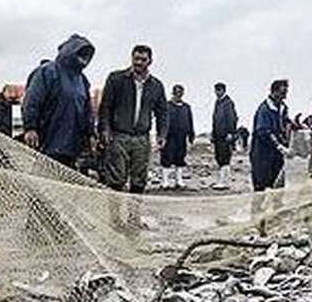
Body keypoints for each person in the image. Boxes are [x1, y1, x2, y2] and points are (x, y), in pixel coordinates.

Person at [97, 45, 168, 194]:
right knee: (115, 180)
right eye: (136, 59)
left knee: (139, 181)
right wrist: (104, 130)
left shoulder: (156, 86)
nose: (138, 62)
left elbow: (162, 113)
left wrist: (162, 134)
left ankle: (133, 210)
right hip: (119, 137)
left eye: (143, 59)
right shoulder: (116, 79)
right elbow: (105, 107)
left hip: (141, 139)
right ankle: (114, 210)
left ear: (150, 61)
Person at [22, 34, 97, 168]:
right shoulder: (47, 71)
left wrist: (90, 134)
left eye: (87, 54)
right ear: (70, 50)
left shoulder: (83, 80)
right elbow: (32, 100)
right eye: (81, 52)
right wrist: (30, 127)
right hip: (46, 143)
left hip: (72, 149)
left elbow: (87, 111)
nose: (84, 57)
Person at [251, 80, 291, 191]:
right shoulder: (264, 110)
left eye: (286, 93)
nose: (284, 96)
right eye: (282, 93)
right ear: (274, 92)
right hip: (262, 154)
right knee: (262, 184)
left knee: (277, 185)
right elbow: (263, 131)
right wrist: (278, 145)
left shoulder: (283, 108)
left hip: (277, 155)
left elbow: (285, 124)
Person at [161, 84, 195, 188]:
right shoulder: (167, 106)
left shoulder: (186, 107)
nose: (178, 95)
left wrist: (191, 135)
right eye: (176, 93)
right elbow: (162, 121)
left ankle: (179, 181)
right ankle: (165, 181)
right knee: (167, 158)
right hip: (169, 137)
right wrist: (161, 135)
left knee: (180, 158)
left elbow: (190, 122)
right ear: (173, 93)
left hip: (182, 137)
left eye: (180, 93)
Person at [211, 82, 238, 190]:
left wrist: (231, 133)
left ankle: (224, 182)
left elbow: (232, 119)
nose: (217, 93)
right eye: (216, 90)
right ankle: (221, 180)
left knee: (225, 158)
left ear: (223, 90)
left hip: (225, 135)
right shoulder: (217, 103)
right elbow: (215, 120)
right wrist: (213, 134)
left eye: (219, 90)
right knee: (219, 157)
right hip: (218, 135)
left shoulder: (228, 103)